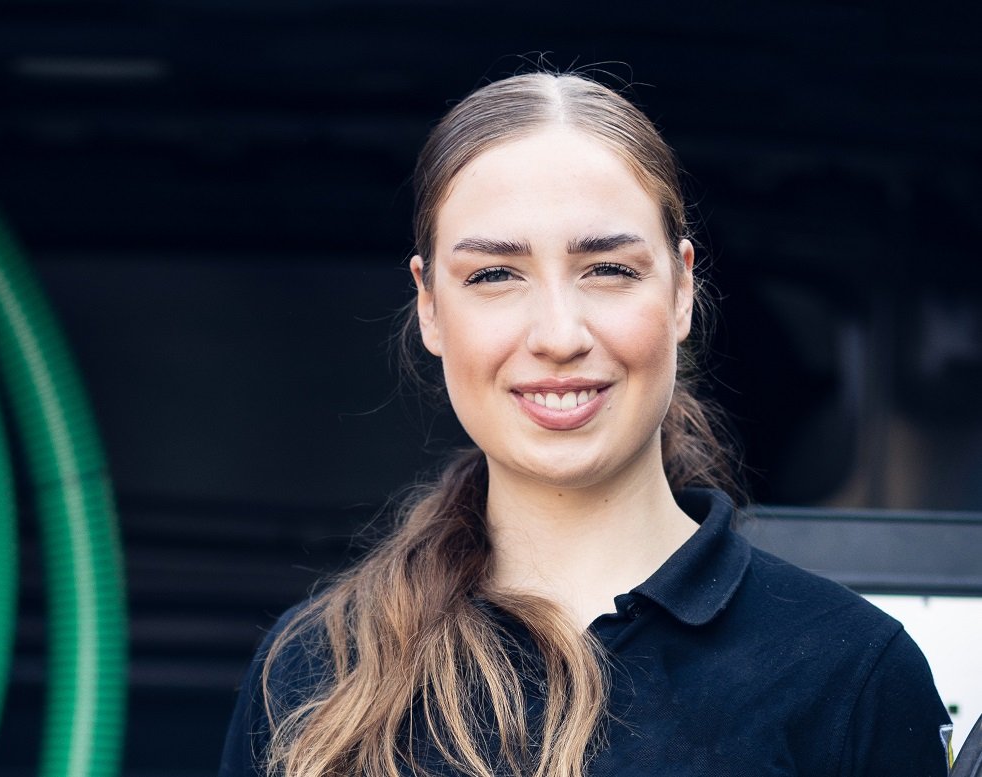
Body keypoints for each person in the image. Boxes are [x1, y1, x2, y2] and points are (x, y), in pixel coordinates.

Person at [219, 71, 951, 777]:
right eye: (494, 275)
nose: (559, 335)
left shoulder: (853, 673)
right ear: (431, 307)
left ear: (682, 290)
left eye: (608, 270)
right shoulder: (313, 669)